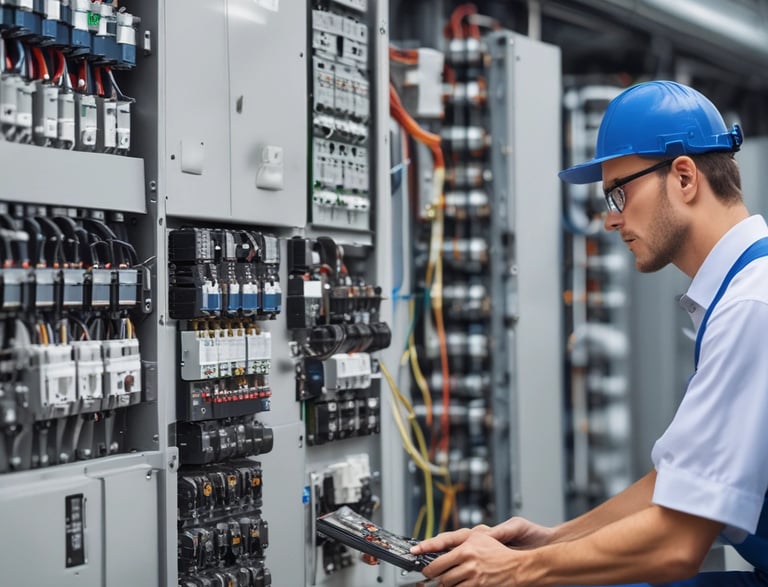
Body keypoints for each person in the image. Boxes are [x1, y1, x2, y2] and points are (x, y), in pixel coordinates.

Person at [410, 80, 768, 586]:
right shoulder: (744, 290)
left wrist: (516, 569)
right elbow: (684, 482)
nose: (611, 219)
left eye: (619, 192)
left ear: (684, 177)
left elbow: (677, 543)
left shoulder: (753, 305)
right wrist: (553, 539)